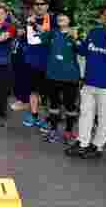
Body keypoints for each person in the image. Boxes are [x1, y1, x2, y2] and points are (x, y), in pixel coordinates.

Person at [66, 3, 106, 159]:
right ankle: (82, 143)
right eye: (104, 15)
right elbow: (83, 51)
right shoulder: (94, 32)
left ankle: (97, 146)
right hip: (90, 82)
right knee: (85, 114)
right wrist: (76, 39)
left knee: (105, 118)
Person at [39, 12, 80, 143]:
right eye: (59, 17)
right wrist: (32, 24)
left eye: (64, 16)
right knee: (53, 104)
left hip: (70, 76)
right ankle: (53, 130)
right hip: (53, 75)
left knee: (70, 106)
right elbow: (37, 38)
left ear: (70, 19)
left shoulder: (74, 34)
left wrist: (76, 39)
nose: (60, 18)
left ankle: (69, 131)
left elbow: (82, 50)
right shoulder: (52, 33)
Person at [22, 0, 55, 128]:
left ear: (47, 6)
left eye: (42, 4)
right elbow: (27, 39)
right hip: (33, 60)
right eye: (36, 4)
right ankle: (34, 115)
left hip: (50, 62)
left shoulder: (53, 20)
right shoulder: (28, 20)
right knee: (33, 90)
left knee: (49, 93)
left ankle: (49, 118)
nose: (39, 6)